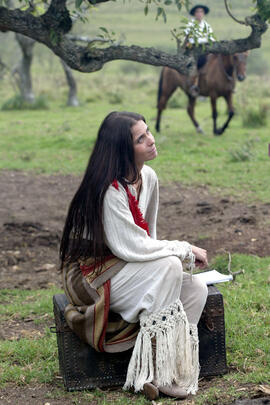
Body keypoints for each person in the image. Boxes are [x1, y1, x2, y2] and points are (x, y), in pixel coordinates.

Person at [60, 111, 209, 400]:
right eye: (141, 139)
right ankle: (153, 373)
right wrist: (183, 249)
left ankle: (173, 367)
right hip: (92, 276)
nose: (151, 140)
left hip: (124, 264)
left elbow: (146, 239)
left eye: (149, 132)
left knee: (196, 288)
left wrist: (172, 258)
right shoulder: (110, 191)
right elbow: (132, 247)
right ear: (123, 149)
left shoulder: (148, 177)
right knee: (169, 266)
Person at [185, 4, 215, 96]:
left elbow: (212, 39)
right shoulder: (190, 25)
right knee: (196, 64)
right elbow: (186, 40)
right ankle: (194, 85)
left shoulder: (207, 26)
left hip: (206, 50)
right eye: (197, 12)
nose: (199, 14)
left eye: (201, 12)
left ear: (204, 14)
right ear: (194, 14)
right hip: (194, 50)